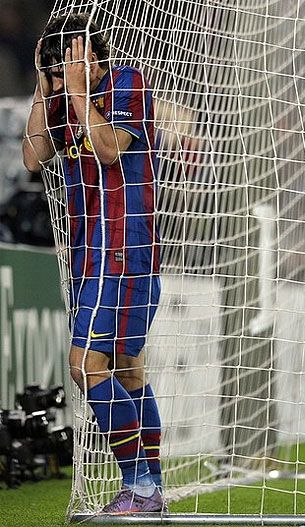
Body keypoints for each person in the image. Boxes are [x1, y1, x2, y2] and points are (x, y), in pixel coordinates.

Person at [22, 13, 165, 514]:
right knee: (126, 368)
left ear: (89, 57)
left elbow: (107, 151)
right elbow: (32, 158)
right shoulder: (61, 98)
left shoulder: (128, 84)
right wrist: (43, 89)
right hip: (89, 251)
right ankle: (151, 489)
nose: (60, 82)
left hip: (124, 245)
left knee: (85, 365)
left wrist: (79, 90)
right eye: (53, 72)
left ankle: (139, 484)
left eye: (63, 68)